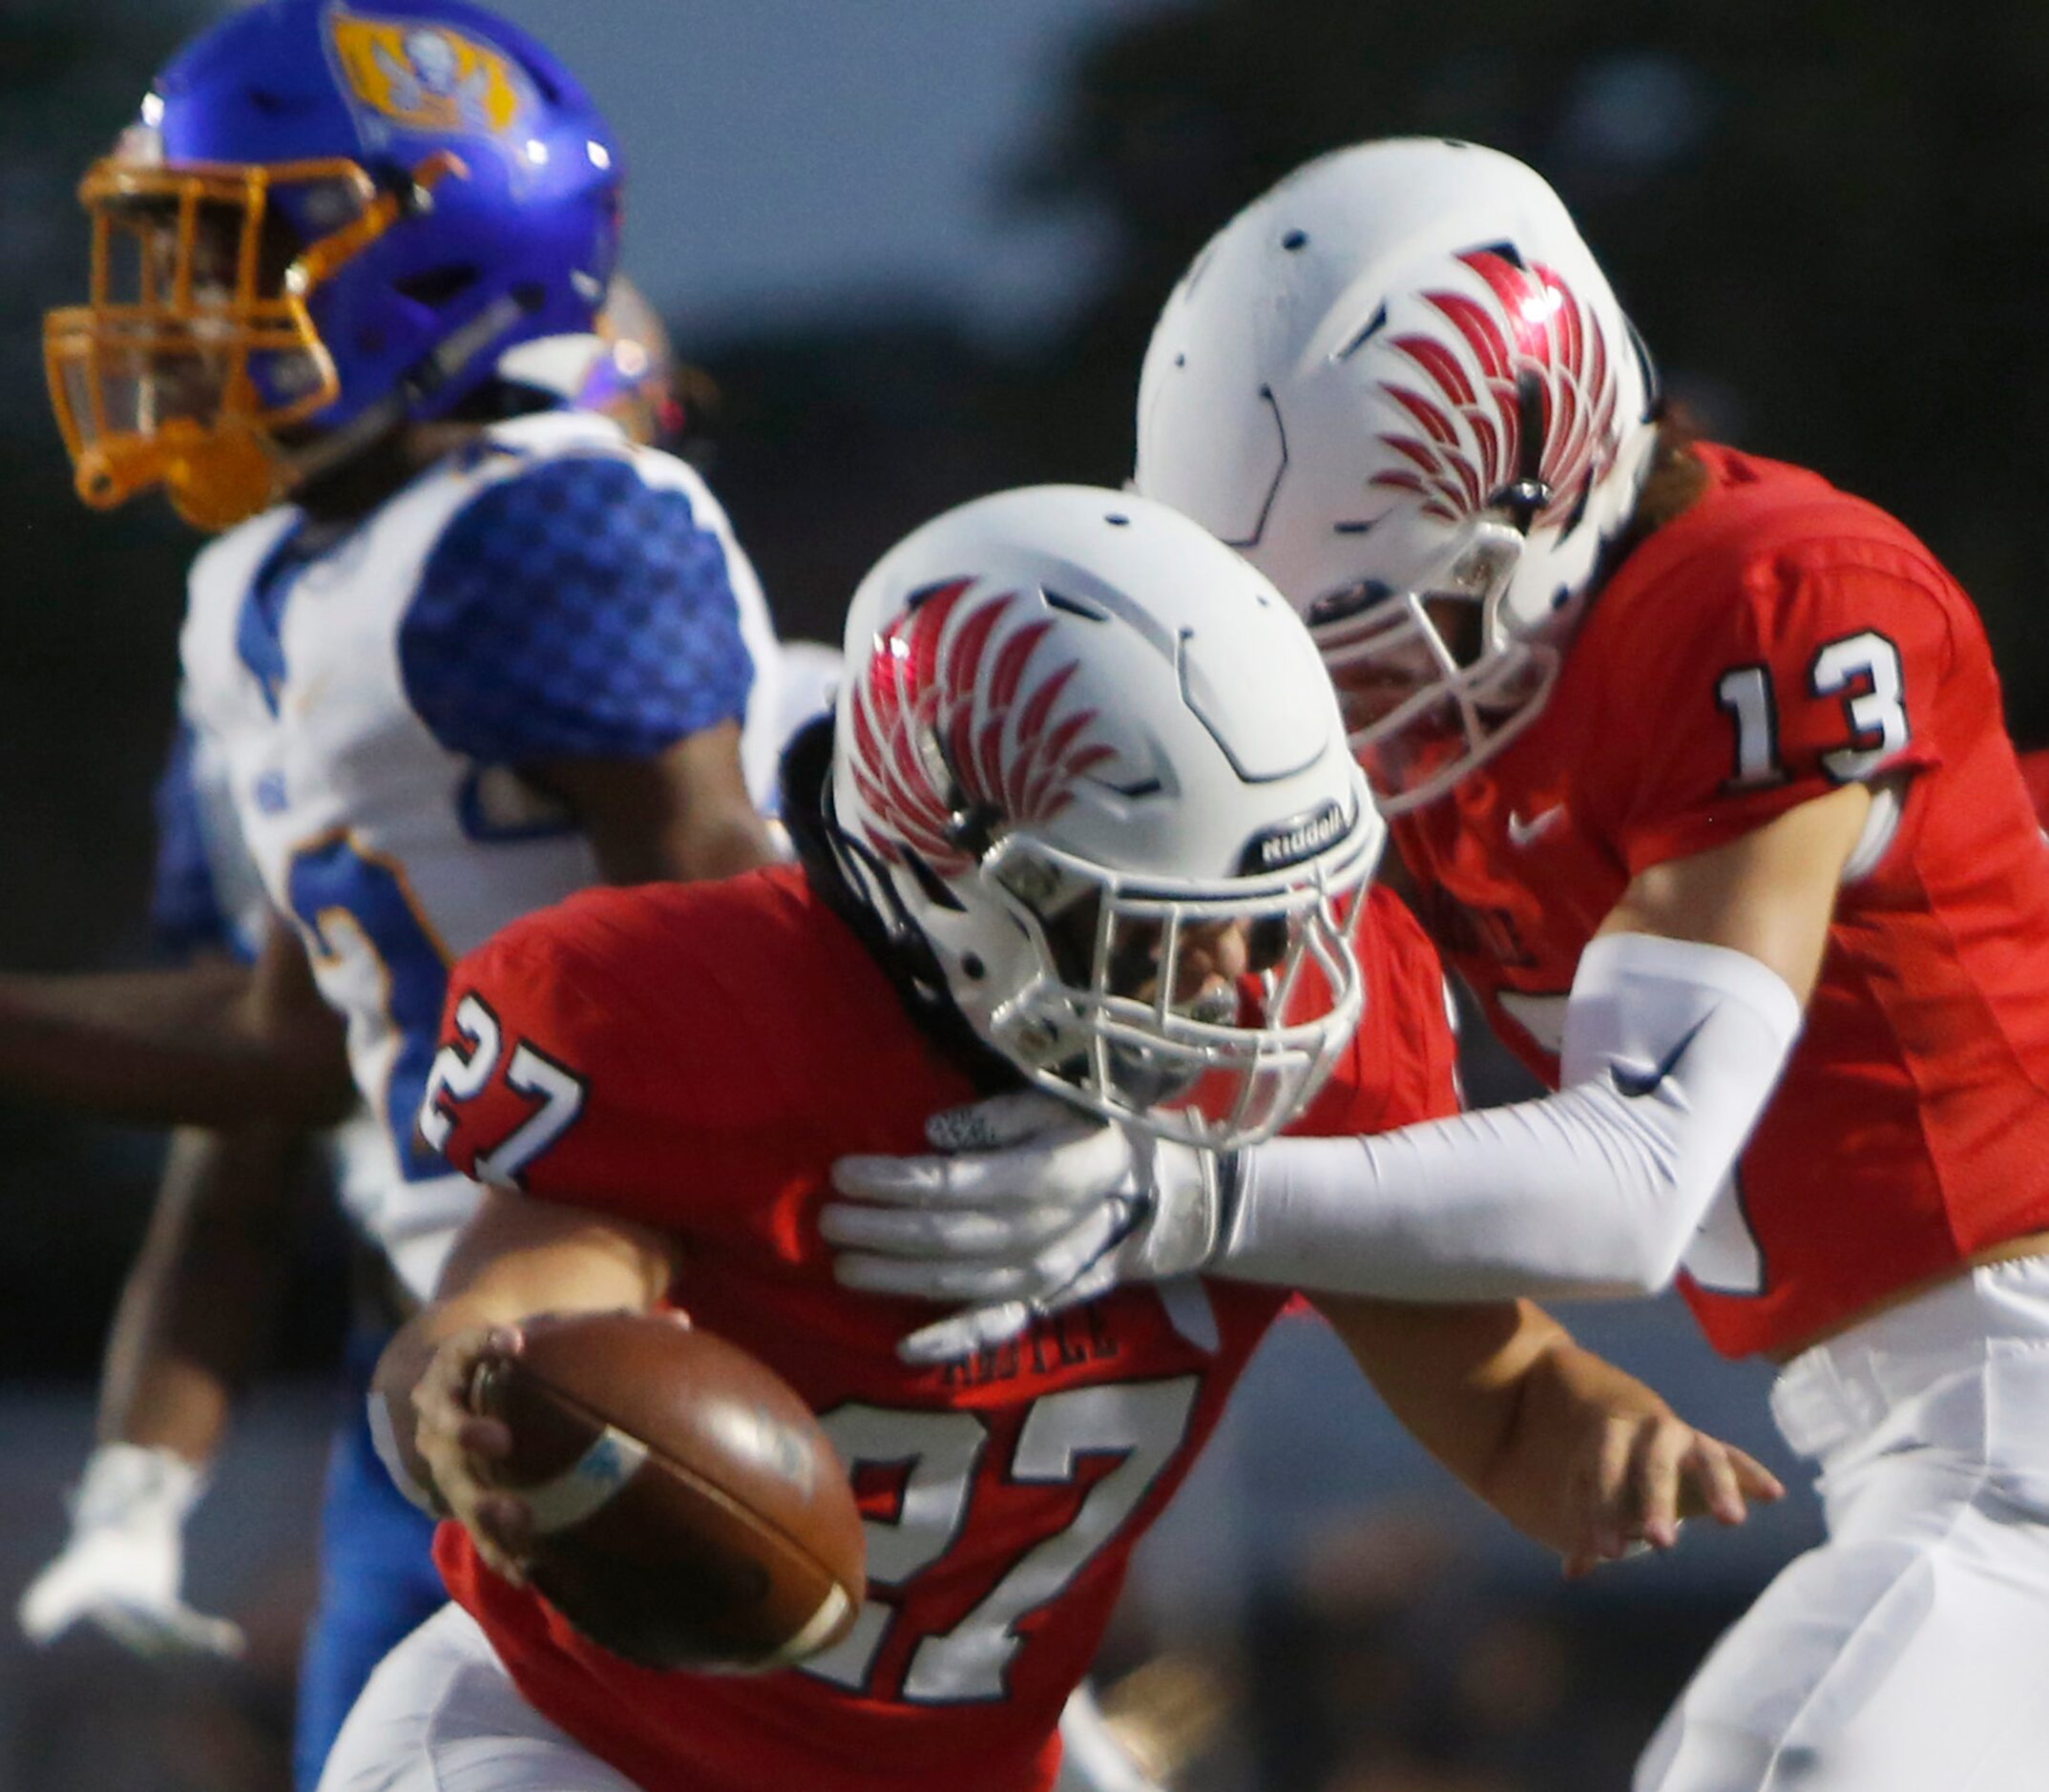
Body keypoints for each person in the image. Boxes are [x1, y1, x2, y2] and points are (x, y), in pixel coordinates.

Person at [826, 141, 2049, 1792]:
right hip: (1911, 1422)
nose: (1323, 702)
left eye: (1354, 630)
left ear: (1541, 490)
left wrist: (1184, 1195)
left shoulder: (1765, 602)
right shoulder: (1473, 718)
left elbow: (1633, 1179)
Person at [323, 484, 1776, 1792]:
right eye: (1158, 930)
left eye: (1272, 916)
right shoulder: (699, 1007)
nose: (1240, 986)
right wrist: (462, 1403)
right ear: (951, 870)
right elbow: (509, 1314)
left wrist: (1602, 1441)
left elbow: (1501, 1389)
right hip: (572, 1742)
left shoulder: (1319, 1037)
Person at [14, 1, 793, 1782]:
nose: (174, 311)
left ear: (431, 249)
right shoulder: (261, 593)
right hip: (441, 1380)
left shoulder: (542, 521)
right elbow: (302, 1039)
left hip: (666, 1345)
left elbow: (746, 968)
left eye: (230, 251)